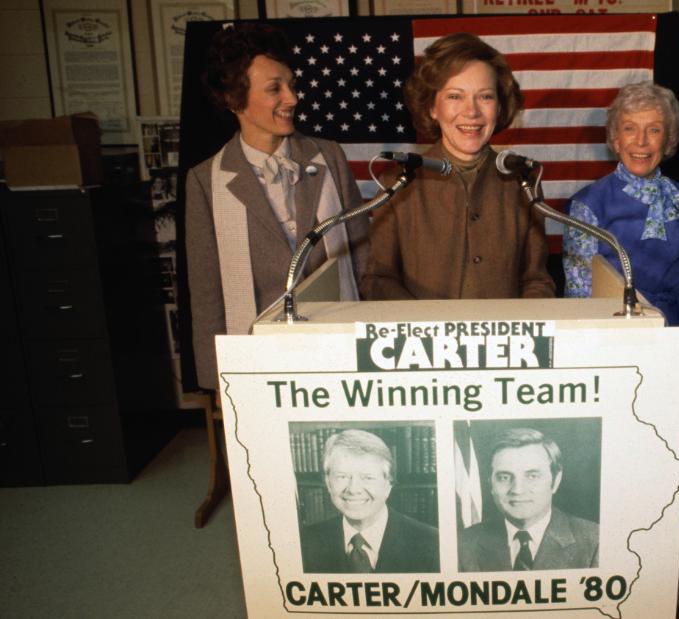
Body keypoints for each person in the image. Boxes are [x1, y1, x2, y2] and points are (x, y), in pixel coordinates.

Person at [562, 82, 679, 513]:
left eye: (653, 130)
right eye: (630, 129)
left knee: (673, 459)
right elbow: (579, 289)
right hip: (616, 340)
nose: (641, 141)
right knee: (622, 459)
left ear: (669, 140)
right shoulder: (589, 203)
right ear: (614, 138)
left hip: (676, 338)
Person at [186, 23, 369, 391]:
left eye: (292, 85)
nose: (292, 98)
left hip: (338, 349)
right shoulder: (206, 181)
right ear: (235, 99)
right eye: (275, 89)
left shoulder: (328, 156)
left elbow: (364, 259)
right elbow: (207, 295)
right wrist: (219, 381)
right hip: (261, 361)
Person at [361, 32, 555, 300]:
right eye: (455, 97)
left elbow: (537, 279)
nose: (472, 111)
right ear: (431, 107)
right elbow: (378, 278)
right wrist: (425, 327)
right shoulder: (397, 183)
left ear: (499, 107)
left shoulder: (522, 180)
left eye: (485, 97)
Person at [458, 428, 598, 571]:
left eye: (532, 476)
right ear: (490, 483)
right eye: (504, 477)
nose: (517, 490)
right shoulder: (462, 545)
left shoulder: (595, 542)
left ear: (555, 481)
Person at [300, 429, 440, 573]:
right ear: (328, 483)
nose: (353, 489)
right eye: (342, 477)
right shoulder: (304, 543)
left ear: (388, 484)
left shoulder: (432, 544)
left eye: (367, 477)